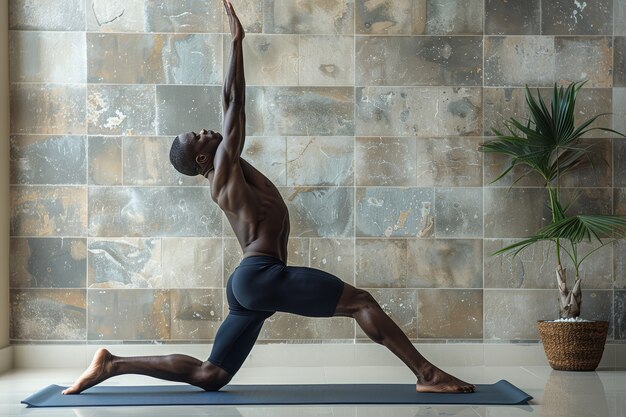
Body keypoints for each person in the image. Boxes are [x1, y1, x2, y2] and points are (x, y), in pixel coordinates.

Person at [63, 0, 475, 395]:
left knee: (212, 374)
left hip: (250, 282)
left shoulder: (225, 167)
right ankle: (427, 372)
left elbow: (228, 102)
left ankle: (111, 365)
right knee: (360, 302)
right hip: (261, 277)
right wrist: (237, 42)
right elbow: (236, 103)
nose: (205, 129)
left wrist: (234, 46)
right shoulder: (222, 167)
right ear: (202, 156)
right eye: (198, 136)